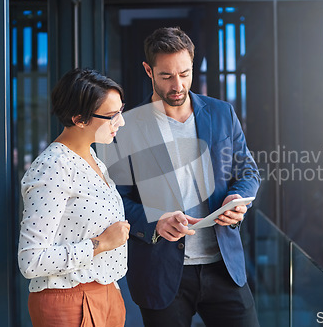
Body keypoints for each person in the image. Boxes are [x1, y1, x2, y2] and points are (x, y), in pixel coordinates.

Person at [106, 27, 261, 326]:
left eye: (184, 73)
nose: (178, 85)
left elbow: (247, 171)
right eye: (166, 76)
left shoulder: (221, 113)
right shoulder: (126, 128)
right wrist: (155, 222)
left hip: (224, 268)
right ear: (148, 70)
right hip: (161, 275)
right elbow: (115, 200)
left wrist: (237, 198)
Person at [17, 68, 130, 327]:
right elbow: (31, 260)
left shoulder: (93, 160)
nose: (121, 122)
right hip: (70, 301)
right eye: (112, 116)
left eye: (121, 111)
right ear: (79, 119)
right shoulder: (53, 167)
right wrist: (100, 244)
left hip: (105, 293)